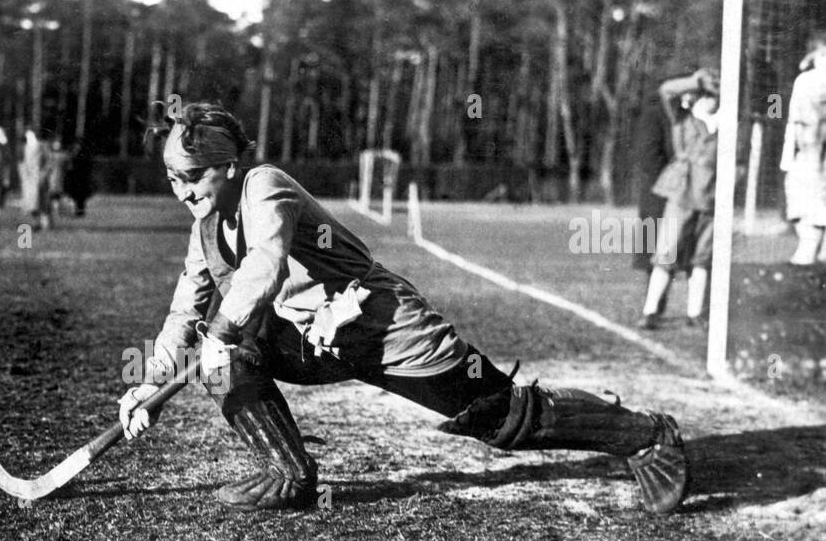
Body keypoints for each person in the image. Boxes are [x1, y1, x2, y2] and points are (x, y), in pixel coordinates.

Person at [116, 102, 689, 515]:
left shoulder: (265, 185)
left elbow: (264, 266)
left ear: (231, 166)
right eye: (172, 179)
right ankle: (288, 475)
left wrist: (219, 331)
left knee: (499, 419)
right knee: (223, 360)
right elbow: (183, 311)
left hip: (384, 325)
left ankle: (642, 435)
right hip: (317, 339)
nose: (183, 192)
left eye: (193, 177)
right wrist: (153, 381)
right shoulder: (206, 226)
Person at [638, 68, 721, 330]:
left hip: (710, 199)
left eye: (715, 94)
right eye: (706, 94)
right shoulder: (681, 117)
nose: (712, 99)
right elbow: (666, 90)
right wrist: (696, 80)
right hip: (682, 195)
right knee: (666, 254)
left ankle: (694, 313)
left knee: (702, 259)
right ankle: (651, 311)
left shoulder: (725, 125)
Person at [782, 29, 826, 267]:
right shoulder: (807, 79)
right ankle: (814, 251)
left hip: (811, 146)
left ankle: (808, 251)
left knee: (808, 195)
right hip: (809, 145)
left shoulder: (809, 80)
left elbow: (800, 120)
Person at [19, 128, 52, 230]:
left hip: (40, 178)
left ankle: (45, 223)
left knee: (42, 201)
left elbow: (49, 162)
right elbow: (22, 162)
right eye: (27, 135)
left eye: (31, 135)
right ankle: (35, 223)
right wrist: (23, 174)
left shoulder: (43, 146)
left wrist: (44, 174)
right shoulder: (24, 147)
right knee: (32, 203)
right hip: (29, 180)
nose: (29, 137)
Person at [64, 138, 95, 217]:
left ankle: (80, 211)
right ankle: (77, 210)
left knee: (81, 197)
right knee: (75, 196)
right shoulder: (72, 155)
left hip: (82, 179)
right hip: (74, 179)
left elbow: (88, 167)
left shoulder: (84, 156)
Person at [46, 136, 69, 220]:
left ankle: (56, 213)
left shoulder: (59, 156)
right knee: (55, 197)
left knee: (55, 197)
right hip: (54, 179)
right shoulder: (62, 155)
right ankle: (56, 213)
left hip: (57, 179)